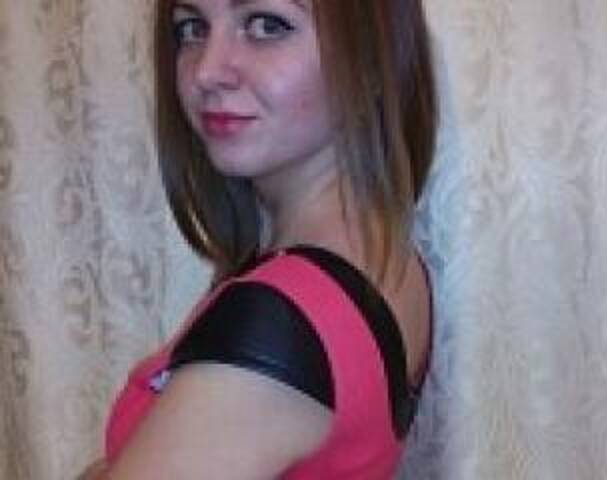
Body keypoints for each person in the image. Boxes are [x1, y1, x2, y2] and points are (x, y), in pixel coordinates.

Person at [84, 0, 437, 478]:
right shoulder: (377, 254)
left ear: (371, 60)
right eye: (192, 28)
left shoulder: (281, 321)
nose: (207, 72)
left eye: (267, 25)